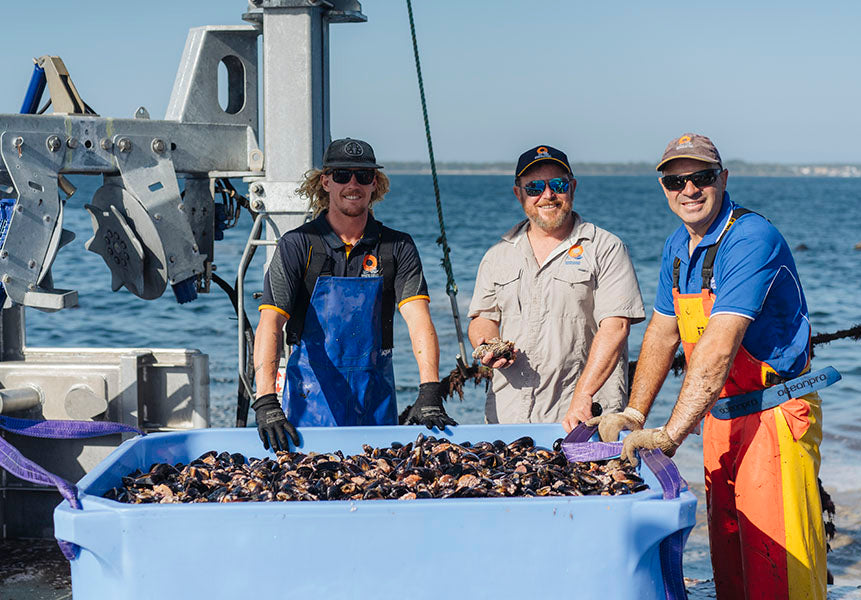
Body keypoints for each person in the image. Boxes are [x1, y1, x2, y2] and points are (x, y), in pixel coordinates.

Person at [592, 133, 826, 599]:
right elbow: (662, 333)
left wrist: (669, 434)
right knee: (731, 565)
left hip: (774, 416)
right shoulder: (677, 247)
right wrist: (636, 414)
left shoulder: (751, 237)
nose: (689, 189)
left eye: (700, 177)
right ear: (663, 187)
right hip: (719, 418)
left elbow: (718, 347)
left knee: (779, 569)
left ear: (722, 178)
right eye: (675, 180)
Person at [252, 137, 456, 451]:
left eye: (363, 176)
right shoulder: (297, 245)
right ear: (325, 181)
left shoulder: (396, 247)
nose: (353, 184)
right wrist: (266, 400)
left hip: (375, 395)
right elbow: (270, 323)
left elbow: (419, 321)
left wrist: (429, 390)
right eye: (342, 174)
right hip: (310, 397)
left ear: (375, 183)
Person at [467, 145, 645, 429]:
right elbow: (483, 318)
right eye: (534, 187)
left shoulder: (606, 248)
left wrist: (583, 395)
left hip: (584, 416)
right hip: (508, 414)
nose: (547, 195)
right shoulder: (497, 255)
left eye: (558, 185)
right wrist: (487, 344)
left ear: (572, 187)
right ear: (519, 194)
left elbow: (617, 328)